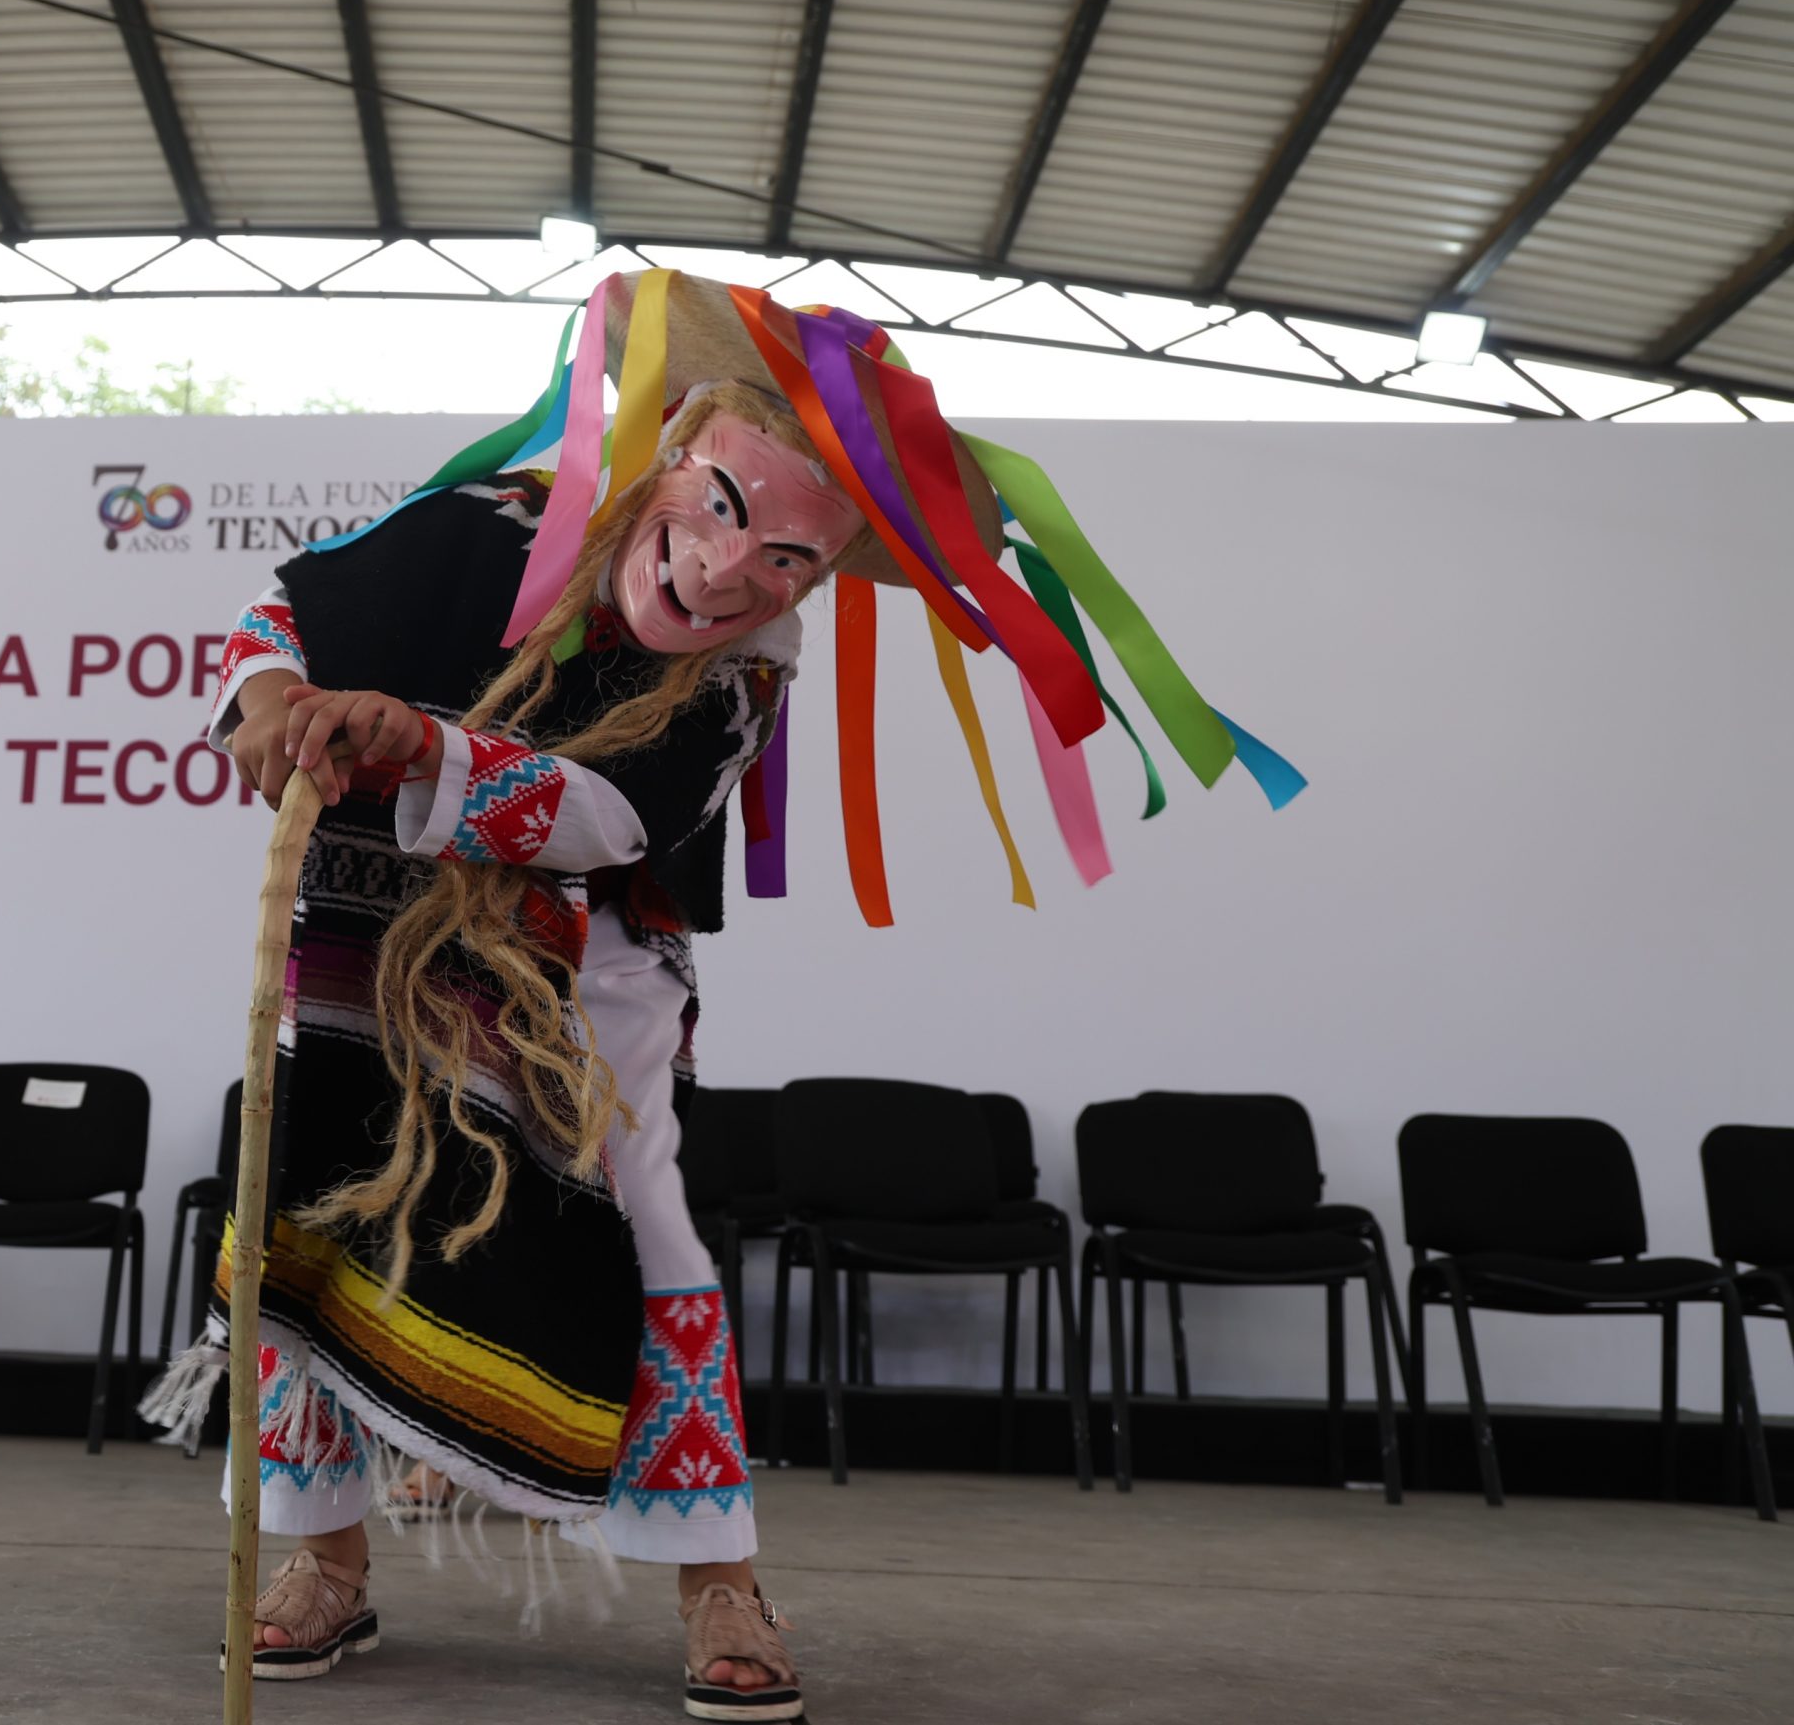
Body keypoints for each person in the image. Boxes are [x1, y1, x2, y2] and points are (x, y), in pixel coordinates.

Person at [143, 270, 1296, 1721]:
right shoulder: (498, 524)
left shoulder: (746, 668)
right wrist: (271, 705)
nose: (731, 570)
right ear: (672, 454)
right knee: (306, 1202)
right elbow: (283, 610)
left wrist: (419, 748)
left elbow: (614, 816)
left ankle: (719, 1577)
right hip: (375, 949)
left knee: (658, 1235)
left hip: (591, 985)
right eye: (722, 508)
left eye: (792, 560)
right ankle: (322, 1561)